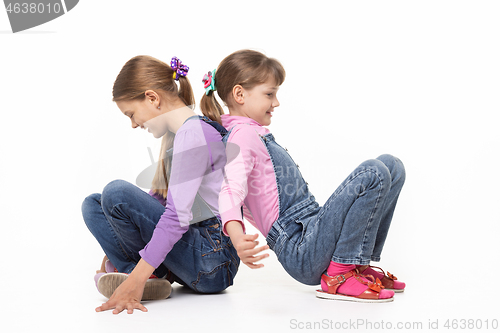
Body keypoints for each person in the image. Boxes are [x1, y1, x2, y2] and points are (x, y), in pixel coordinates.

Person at [200, 49, 406, 303]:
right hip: (300, 247)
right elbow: (230, 190)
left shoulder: (254, 133)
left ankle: (356, 265)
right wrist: (236, 234)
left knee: (391, 166)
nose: (276, 103)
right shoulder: (241, 136)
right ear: (239, 94)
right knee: (372, 172)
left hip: (312, 229)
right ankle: (339, 275)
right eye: (269, 94)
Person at [82, 55, 239, 314]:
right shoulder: (181, 135)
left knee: (117, 192)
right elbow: (158, 205)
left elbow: (176, 217)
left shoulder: (194, 135)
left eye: (131, 114)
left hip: (212, 263)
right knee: (94, 204)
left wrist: (135, 280)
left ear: (152, 98)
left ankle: (136, 275)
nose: (133, 124)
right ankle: (149, 273)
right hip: (196, 254)